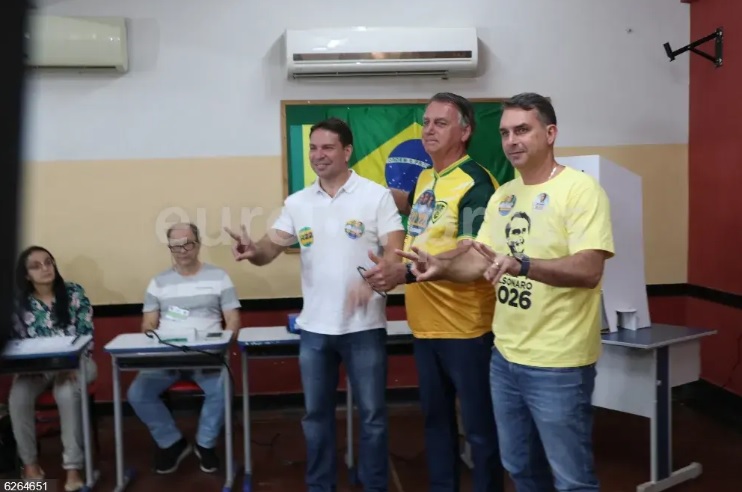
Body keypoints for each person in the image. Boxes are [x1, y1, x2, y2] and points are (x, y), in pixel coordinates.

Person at [399, 92, 615, 492]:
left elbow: (589, 269)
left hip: (558, 362)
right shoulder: (505, 196)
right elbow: (476, 260)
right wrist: (441, 267)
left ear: (550, 133)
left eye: (522, 130)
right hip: (506, 357)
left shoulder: (580, 190)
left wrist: (524, 264)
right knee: (520, 468)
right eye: (505, 133)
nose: (512, 141)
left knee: (571, 478)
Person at [225, 117, 405, 492]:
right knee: (316, 417)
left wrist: (375, 278)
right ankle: (320, 486)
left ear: (347, 151)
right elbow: (269, 249)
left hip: (364, 328)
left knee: (372, 417)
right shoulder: (298, 202)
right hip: (315, 331)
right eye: (313, 148)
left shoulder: (375, 196)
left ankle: (375, 486)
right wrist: (252, 250)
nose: (318, 155)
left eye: (327, 147)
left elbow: (395, 250)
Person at [362, 92, 505, 492]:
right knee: (436, 424)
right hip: (425, 328)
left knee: (480, 430)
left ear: (465, 131)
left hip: (467, 330)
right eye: (426, 122)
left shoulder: (476, 182)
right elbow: (419, 227)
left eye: (440, 123)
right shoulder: (427, 178)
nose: (428, 130)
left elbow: (473, 251)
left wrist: (406, 272)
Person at [127, 222, 241, 474]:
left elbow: (233, 320)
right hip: (166, 356)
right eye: (176, 246)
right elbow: (148, 324)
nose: (182, 250)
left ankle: (205, 443)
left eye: (188, 244)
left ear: (198, 244)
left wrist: (224, 342)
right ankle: (172, 443)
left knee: (223, 386)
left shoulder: (219, 277)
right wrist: (153, 340)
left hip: (207, 355)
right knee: (138, 393)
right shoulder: (158, 282)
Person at [8, 246, 97, 491]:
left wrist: (72, 361)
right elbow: (15, 341)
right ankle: (30, 465)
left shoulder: (74, 293)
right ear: (26, 275)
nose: (45, 268)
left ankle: (73, 468)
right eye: (36, 266)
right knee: (18, 397)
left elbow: (87, 334)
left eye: (48, 262)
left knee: (66, 392)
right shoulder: (18, 302)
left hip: (77, 362)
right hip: (36, 368)